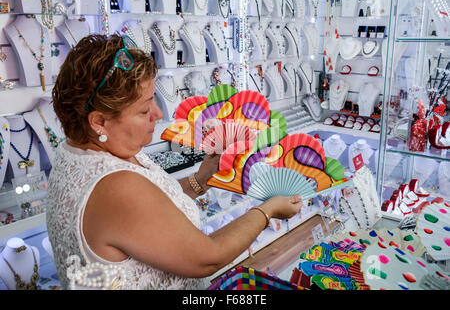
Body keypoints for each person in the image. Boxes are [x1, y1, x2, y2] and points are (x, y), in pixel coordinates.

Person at [47, 34, 303, 290]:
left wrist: (200, 180)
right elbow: (206, 257)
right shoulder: (115, 185)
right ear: (99, 121)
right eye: (145, 110)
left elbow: (150, 209)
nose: (158, 115)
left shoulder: (77, 150)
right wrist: (267, 210)